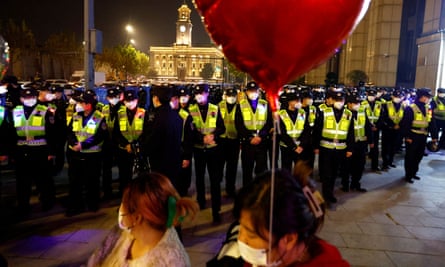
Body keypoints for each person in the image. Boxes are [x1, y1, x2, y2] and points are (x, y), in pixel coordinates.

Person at [208, 165, 349, 267]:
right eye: (241, 228)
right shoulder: (267, 258)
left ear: (289, 239)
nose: (240, 239)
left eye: (251, 235)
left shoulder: (329, 262)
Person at [87, 172, 199, 267]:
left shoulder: (170, 261)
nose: (120, 210)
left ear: (137, 217)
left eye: (123, 205)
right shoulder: (120, 233)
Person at [12, 87, 57, 217]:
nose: (29, 100)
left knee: (43, 179)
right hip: (22, 149)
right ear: (21, 99)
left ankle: (47, 202)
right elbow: (11, 133)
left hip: (40, 149)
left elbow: (51, 133)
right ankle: (23, 206)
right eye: (26, 98)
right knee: (22, 181)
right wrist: (12, 152)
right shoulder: (16, 111)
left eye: (31, 97)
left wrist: (51, 152)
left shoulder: (44, 111)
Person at [66, 92, 108, 216]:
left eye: (81, 102)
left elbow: (100, 136)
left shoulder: (99, 117)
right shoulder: (76, 116)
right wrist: (74, 142)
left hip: (92, 155)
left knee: (92, 181)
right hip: (76, 154)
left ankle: (92, 204)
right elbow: (69, 132)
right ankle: (76, 205)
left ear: (88, 105)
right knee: (75, 182)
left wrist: (83, 145)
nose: (78, 105)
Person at [189, 83, 225, 223]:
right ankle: (201, 201)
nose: (199, 96)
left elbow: (221, 127)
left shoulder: (215, 109)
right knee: (199, 178)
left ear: (207, 93)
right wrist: (202, 138)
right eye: (197, 94)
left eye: (202, 93)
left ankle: (216, 211)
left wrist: (213, 136)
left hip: (213, 150)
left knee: (215, 181)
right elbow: (190, 131)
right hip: (199, 149)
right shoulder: (191, 110)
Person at [313, 89, 354, 204]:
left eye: (341, 100)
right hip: (326, 147)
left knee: (335, 173)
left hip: (340, 148)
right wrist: (316, 146)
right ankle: (327, 195)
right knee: (327, 173)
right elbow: (317, 130)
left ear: (345, 101)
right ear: (333, 100)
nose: (339, 102)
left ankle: (329, 193)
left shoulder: (348, 114)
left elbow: (351, 133)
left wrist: (350, 148)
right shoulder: (324, 112)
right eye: (337, 100)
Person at [143, 85, 182, 188]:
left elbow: (153, 141)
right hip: (174, 161)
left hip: (161, 164)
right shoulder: (176, 115)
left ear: (156, 98)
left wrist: (142, 150)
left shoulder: (158, 117)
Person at [235, 81, 273, 186]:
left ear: (258, 91)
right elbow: (239, 124)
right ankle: (248, 195)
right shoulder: (241, 105)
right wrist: (250, 138)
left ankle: (260, 194)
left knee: (262, 172)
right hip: (248, 143)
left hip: (262, 142)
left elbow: (269, 123)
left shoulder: (265, 104)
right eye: (250, 91)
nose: (253, 93)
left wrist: (261, 136)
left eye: (255, 90)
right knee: (247, 171)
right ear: (246, 92)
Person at [114, 89, 148, 194]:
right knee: (124, 175)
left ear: (137, 100)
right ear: (124, 102)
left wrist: (136, 145)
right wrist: (126, 144)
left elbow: (146, 132)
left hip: (138, 150)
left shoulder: (143, 113)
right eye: (127, 100)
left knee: (139, 178)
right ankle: (124, 197)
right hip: (123, 150)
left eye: (132, 100)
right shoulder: (120, 113)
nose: (130, 103)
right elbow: (116, 132)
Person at [400, 88, 438, 183]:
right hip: (413, 135)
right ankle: (408, 175)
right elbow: (405, 124)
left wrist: (434, 137)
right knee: (410, 156)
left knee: (419, 155)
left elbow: (431, 122)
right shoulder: (411, 108)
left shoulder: (428, 107)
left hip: (423, 135)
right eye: (427, 97)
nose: (429, 99)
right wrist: (407, 137)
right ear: (422, 97)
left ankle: (414, 173)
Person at [341, 92, 373, 192]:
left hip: (361, 143)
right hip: (348, 144)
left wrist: (371, 140)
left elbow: (368, 126)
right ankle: (345, 184)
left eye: (358, 103)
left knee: (360, 165)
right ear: (349, 103)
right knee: (346, 166)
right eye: (355, 103)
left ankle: (355, 183)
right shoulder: (344, 112)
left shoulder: (362, 111)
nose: (357, 105)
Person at [278, 90, 311, 172]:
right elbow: (282, 133)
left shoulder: (303, 113)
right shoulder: (281, 114)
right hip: (287, 147)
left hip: (300, 147)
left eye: (299, 100)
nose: (298, 102)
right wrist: (293, 147)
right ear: (289, 102)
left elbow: (306, 131)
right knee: (286, 171)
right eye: (296, 100)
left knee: (299, 171)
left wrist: (301, 145)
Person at [170, 86, 194, 197]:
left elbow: (189, 137)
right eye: (180, 97)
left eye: (185, 96)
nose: (183, 99)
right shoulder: (172, 112)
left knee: (184, 177)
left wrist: (187, 156)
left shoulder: (191, 112)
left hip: (184, 149)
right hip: (174, 149)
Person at [101, 87, 124, 199]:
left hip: (119, 143)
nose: (112, 99)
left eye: (114, 97)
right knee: (106, 170)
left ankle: (122, 191)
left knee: (122, 169)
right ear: (107, 98)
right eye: (110, 97)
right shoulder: (104, 109)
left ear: (119, 97)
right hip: (106, 144)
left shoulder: (123, 110)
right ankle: (107, 191)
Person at [218, 87, 240, 198]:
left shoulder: (240, 107)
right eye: (229, 96)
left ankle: (230, 188)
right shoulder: (219, 106)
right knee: (219, 165)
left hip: (234, 140)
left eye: (233, 96)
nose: (231, 98)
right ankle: (217, 185)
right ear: (225, 96)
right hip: (221, 140)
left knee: (232, 166)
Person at [380, 89, 405, 170]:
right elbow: (384, 117)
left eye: (400, 97)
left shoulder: (403, 106)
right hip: (388, 129)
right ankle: (385, 163)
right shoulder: (385, 105)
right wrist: (392, 125)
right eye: (396, 96)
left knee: (394, 147)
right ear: (392, 96)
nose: (398, 98)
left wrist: (399, 125)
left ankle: (390, 161)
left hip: (397, 130)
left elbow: (404, 118)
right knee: (386, 147)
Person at [362, 87, 384, 172]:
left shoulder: (379, 104)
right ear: (367, 95)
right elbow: (362, 117)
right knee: (364, 149)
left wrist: (377, 126)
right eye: (370, 95)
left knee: (375, 149)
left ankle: (375, 166)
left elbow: (382, 117)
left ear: (375, 96)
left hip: (375, 129)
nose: (371, 97)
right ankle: (362, 165)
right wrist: (369, 126)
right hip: (365, 129)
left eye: (373, 95)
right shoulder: (362, 104)